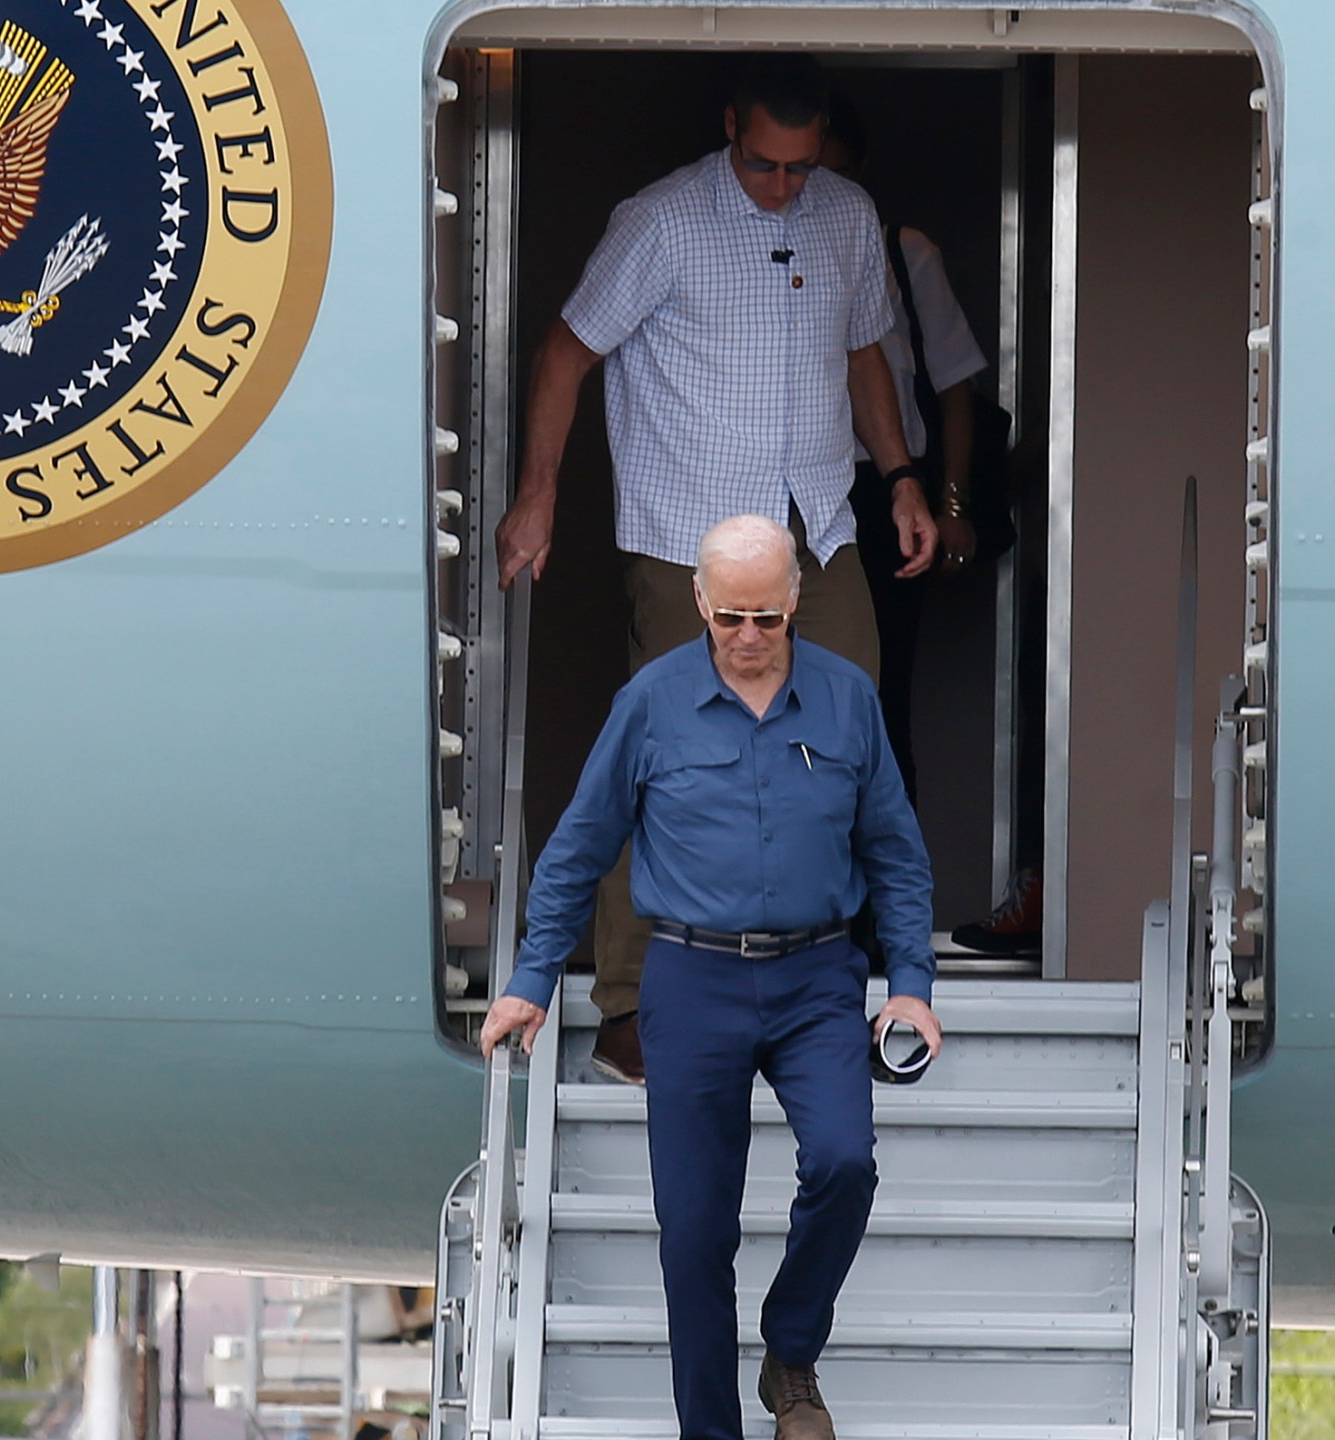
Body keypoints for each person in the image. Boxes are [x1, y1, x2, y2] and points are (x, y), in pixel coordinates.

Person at [494, 55, 939, 1085]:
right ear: (729, 125)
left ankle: (829, 984)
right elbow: (565, 351)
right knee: (667, 761)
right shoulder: (662, 220)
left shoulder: (846, 214)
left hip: (818, 527)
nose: (781, 183)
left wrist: (903, 478)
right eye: (761, 163)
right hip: (688, 535)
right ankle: (630, 1010)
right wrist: (539, 492)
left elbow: (866, 352)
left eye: (798, 165)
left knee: (845, 743)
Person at [481, 514, 943, 1440]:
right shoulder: (650, 704)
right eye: (730, 616)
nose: (747, 637)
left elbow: (895, 853)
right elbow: (578, 849)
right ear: (698, 601)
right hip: (691, 980)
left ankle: (790, 1348)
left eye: (767, 618)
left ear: (796, 600)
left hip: (817, 979)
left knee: (847, 1163)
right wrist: (532, 978)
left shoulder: (847, 700)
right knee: (694, 1236)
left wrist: (912, 985)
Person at [821, 100, 991, 799]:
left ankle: (884, 906)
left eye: (829, 177)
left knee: (882, 697)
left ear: (859, 177)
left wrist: (949, 501)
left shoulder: (901, 252)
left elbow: (953, 390)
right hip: (792, 488)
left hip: (888, 491)